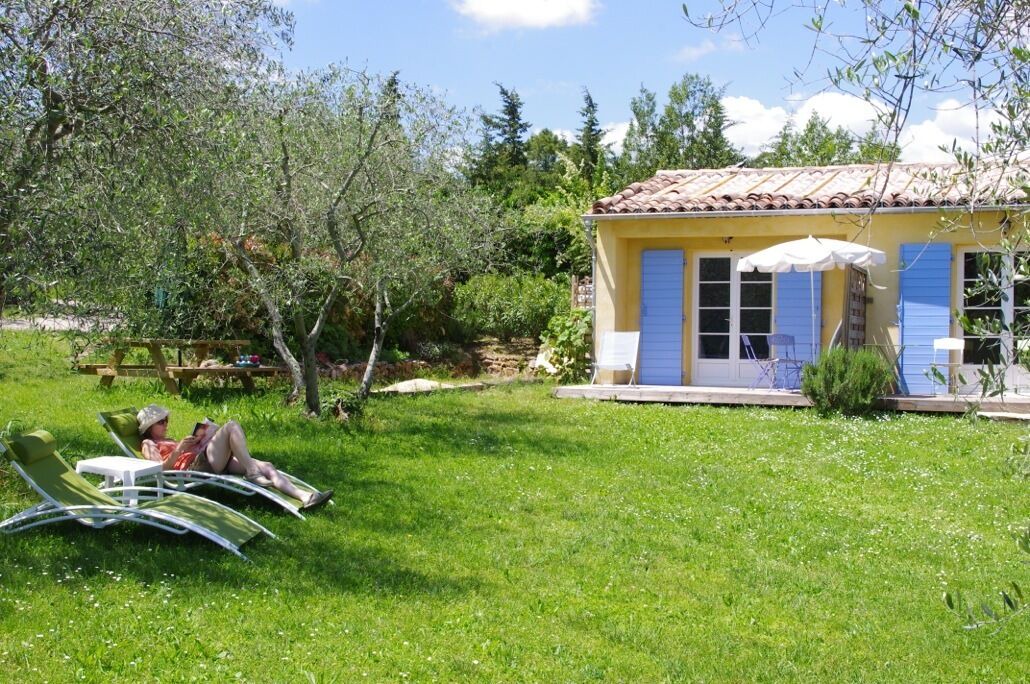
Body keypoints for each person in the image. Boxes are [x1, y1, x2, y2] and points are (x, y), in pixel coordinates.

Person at [137, 404, 332, 510]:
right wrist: (180, 449)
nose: (166, 424)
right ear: (148, 428)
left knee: (267, 466)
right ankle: (252, 473)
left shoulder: (169, 439)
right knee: (231, 425)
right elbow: (160, 470)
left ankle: (305, 497)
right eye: (160, 422)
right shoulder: (148, 444)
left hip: (204, 459)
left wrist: (199, 440)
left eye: (166, 420)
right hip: (192, 469)